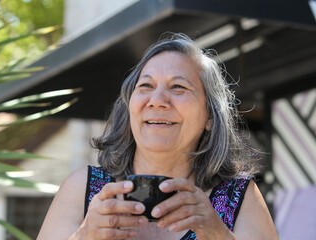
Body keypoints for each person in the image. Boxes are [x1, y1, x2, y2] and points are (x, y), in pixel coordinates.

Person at [37, 33, 278, 240]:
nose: (157, 101)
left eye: (178, 87)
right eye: (146, 86)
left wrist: (219, 235)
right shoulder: (83, 189)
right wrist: (84, 235)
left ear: (210, 117)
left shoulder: (239, 197)